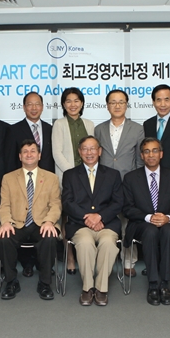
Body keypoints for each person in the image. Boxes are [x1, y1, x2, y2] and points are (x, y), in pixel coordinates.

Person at [123, 138, 170, 306]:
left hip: (168, 223)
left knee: (169, 230)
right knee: (150, 231)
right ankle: (153, 284)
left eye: (155, 150)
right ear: (141, 156)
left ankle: (164, 283)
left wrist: (167, 218)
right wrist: (148, 217)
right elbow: (127, 208)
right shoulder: (130, 178)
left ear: (161, 154)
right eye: (147, 151)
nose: (151, 155)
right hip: (141, 223)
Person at [62, 136, 124, 306]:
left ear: (100, 151)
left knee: (108, 243)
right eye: (85, 149)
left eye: (93, 148)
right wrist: (88, 218)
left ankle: (101, 289)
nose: (89, 152)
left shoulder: (112, 175)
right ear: (79, 152)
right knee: (85, 243)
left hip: (107, 224)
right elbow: (67, 202)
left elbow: (118, 202)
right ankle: (88, 288)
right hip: (80, 224)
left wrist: (100, 216)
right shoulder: (70, 175)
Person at [0, 139, 61, 301]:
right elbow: (4, 205)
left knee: (50, 237)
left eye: (33, 151)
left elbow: (55, 204)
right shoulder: (8, 178)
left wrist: (49, 221)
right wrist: (6, 222)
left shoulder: (51, 178)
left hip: (42, 222)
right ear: (20, 156)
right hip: (17, 222)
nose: (29, 154)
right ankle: (11, 281)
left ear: (39, 155)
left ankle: (45, 283)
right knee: (4, 238)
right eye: (25, 151)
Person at [94, 88, 143, 277]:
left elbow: (139, 159)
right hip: (105, 184)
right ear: (107, 106)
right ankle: (104, 261)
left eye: (121, 102)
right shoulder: (99, 129)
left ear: (126, 105)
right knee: (105, 221)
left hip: (128, 183)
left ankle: (128, 261)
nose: (117, 105)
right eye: (113, 102)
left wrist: (137, 183)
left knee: (128, 223)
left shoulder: (137, 129)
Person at [52, 86, 94, 275]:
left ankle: (87, 254)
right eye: (68, 101)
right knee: (67, 217)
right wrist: (74, 175)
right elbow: (57, 153)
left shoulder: (89, 124)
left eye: (76, 100)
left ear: (82, 103)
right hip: (67, 177)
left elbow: (92, 151)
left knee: (87, 213)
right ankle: (70, 257)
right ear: (63, 104)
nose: (73, 104)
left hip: (89, 178)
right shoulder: (59, 124)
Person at [10, 91, 55, 172]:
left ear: (42, 107)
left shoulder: (50, 129)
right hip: (23, 176)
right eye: (30, 104)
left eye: (37, 104)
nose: (34, 108)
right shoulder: (13, 130)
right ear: (24, 107)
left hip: (47, 176)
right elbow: (10, 159)